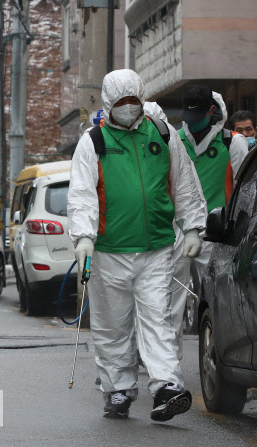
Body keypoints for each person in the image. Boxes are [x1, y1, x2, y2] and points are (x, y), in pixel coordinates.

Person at [67, 69, 207, 421]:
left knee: (157, 319)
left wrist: (192, 227)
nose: (128, 108)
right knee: (113, 325)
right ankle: (117, 390)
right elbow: (82, 194)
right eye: (121, 103)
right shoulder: (93, 141)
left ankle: (166, 386)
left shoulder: (162, 133)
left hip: (156, 247)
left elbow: (184, 181)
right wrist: (83, 236)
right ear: (109, 103)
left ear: (141, 99)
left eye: (133, 101)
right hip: (109, 251)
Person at [177, 85, 249, 305]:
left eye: (198, 115)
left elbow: (243, 191)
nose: (192, 122)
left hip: (217, 234)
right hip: (180, 232)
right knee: (170, 303)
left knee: (220, 301)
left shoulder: (232, 142)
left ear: (211, 111)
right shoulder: (175, 141)